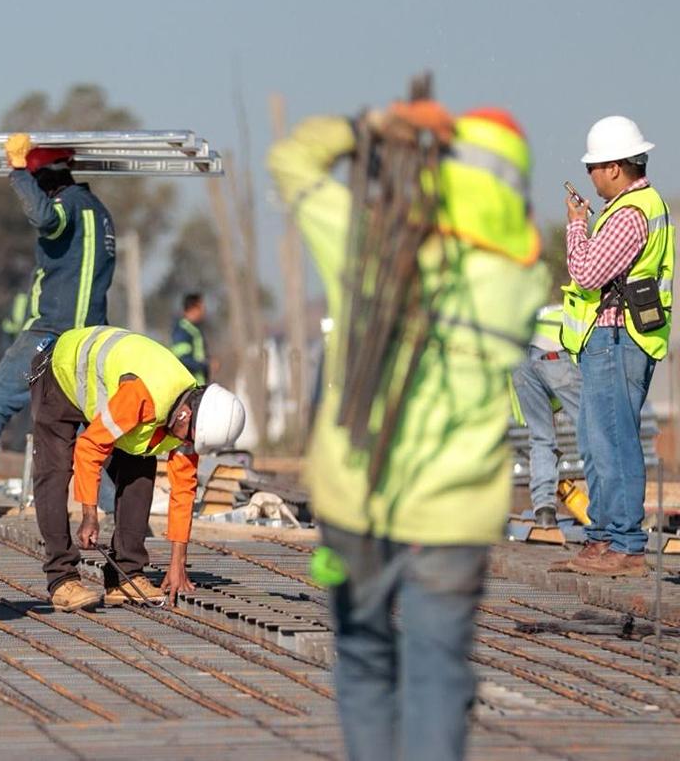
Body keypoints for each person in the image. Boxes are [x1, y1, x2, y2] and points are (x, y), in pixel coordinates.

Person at [269, 102, 548, 761]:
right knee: (438, 673)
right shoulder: (521, 276)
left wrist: (368, 125)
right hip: (453, 519)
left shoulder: (367, 242)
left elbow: (291, 161)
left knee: (365, 661)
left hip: (357, 503)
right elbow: (525, 236)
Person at [0, 133, 116, 515]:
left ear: (46, 178)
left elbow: (44, 217)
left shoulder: (66, 205)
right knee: (87, 423)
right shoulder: (100, 213)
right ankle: (117, 511)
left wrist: (17, 172)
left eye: (37, 183)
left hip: (52, 332)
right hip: (92, 337)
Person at [28, 325, 245, 611]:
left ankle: (126, 575)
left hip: (105, 390)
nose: (187, 445)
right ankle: (62, 579)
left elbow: (184, 492)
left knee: (140, 468)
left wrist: (177, 563)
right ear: (186, 414)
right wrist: (89, 514)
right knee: (54, 474)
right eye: (189, 437)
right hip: (60, 372)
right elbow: (89, 448)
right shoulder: (142, 397)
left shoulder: (190, 419)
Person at [559, 116, 671, 577]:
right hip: (607, 338)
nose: (590, 176)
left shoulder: (630, 214)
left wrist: (575, 227)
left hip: (619, 338)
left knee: (616, 442)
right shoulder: (630, 208)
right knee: (596, 441)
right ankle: (603, 538)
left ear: (614, 167)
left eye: (594, 167)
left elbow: (586, 273)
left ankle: (625, 545)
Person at [510, 303, 581, 526]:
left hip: (520, 359)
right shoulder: (579, 312)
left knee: (541, 437)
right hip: (554, 352)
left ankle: (544, 511)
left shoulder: (548, 313)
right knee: (592, 429)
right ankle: (608, 509)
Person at [170, 292, 210, 384]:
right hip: (192, 387)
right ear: (193, 308)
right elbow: (182, 358)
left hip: (200, 383)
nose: (204, 311)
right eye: (202, 307)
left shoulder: (194, 329)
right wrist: (205, 365)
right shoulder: (183, 330)